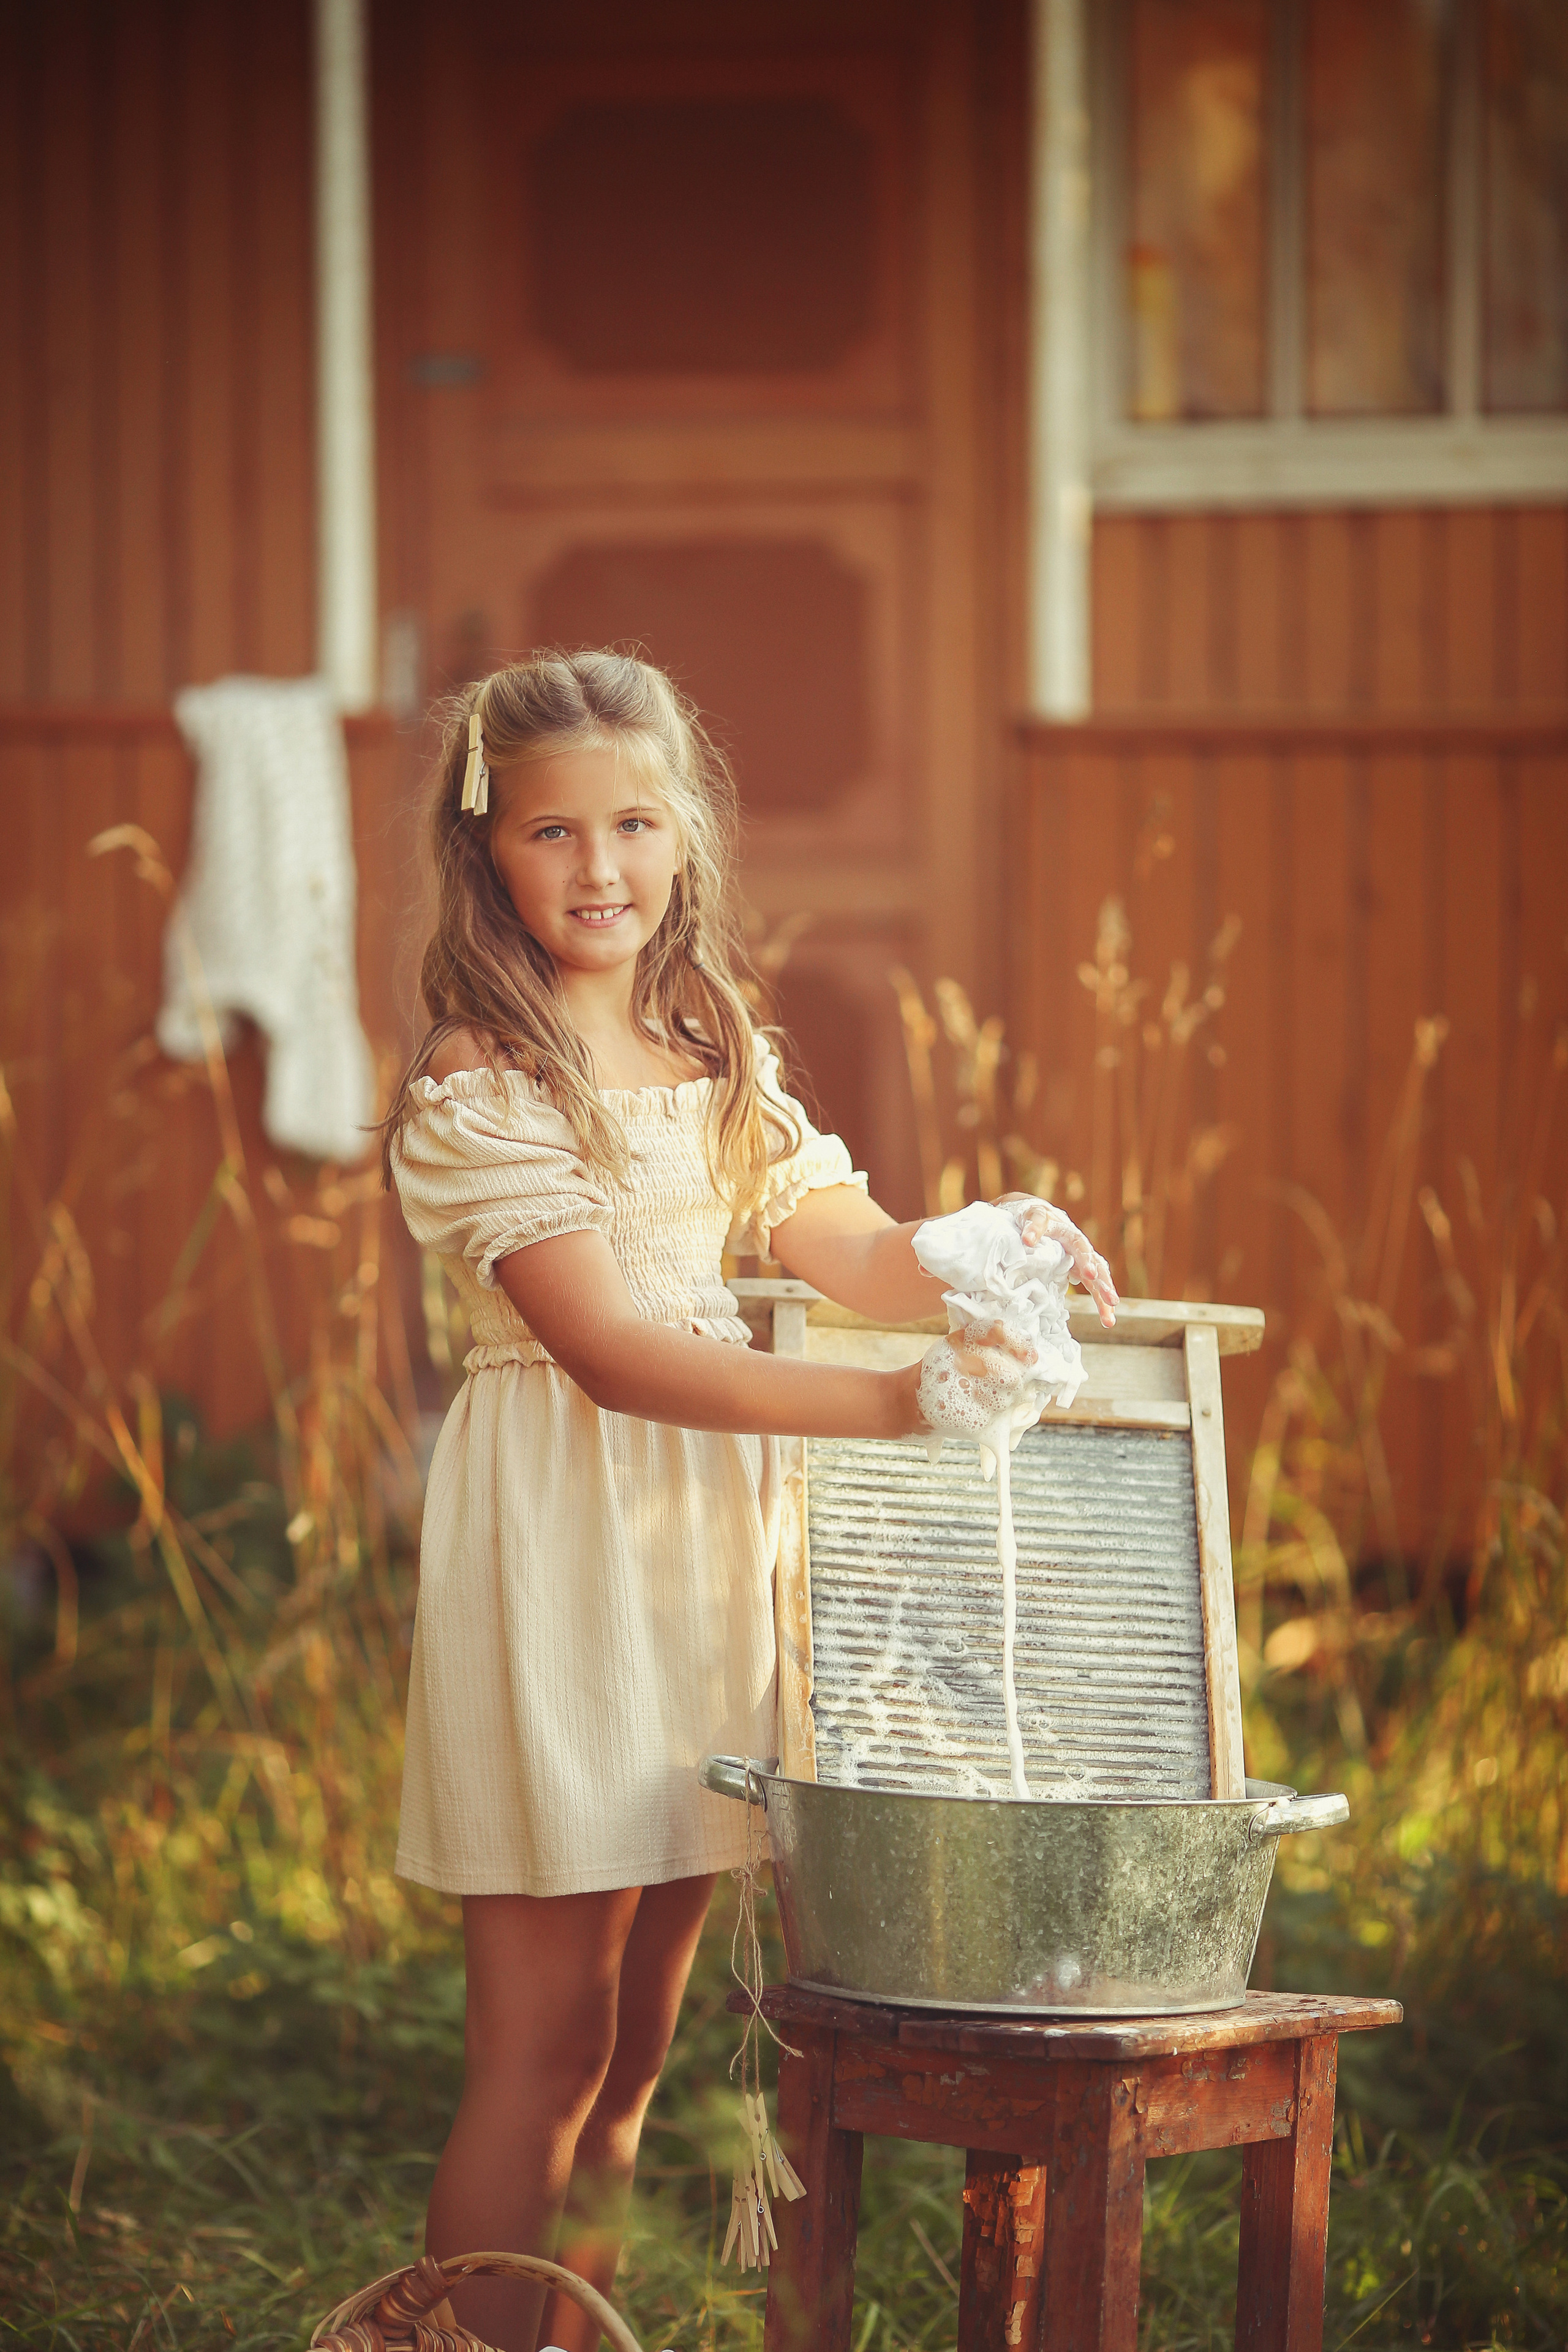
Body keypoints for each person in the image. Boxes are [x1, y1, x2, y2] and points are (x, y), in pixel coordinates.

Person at [380, 649, 1118, 2351]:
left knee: (639, 2043)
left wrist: (976, 1253)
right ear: (488, 849)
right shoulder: (481, 1082)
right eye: (555, 834)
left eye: (635, 824)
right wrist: (891, 1406)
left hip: (707, 1561)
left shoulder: (711, 1045)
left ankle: (577, 2330)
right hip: (563, 1566)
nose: (600, 871)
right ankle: (472, 2339)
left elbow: (841, 1242)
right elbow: (621, 1355)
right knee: (543, 2045)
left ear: (687, 836)